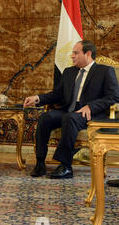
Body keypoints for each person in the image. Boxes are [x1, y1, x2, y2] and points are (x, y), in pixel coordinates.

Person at [24, 40, 119, 179]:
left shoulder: (104, 71)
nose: (72, 56)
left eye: (76, 53)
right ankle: (40, 163)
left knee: (70, 118)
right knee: (46, 117)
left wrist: (91, 106)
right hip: (69, 110)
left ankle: (66, 166)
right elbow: (58, 94)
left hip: (90, 114)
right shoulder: (69, 72)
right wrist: (38, 98)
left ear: (87, 54)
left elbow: (113, 96)